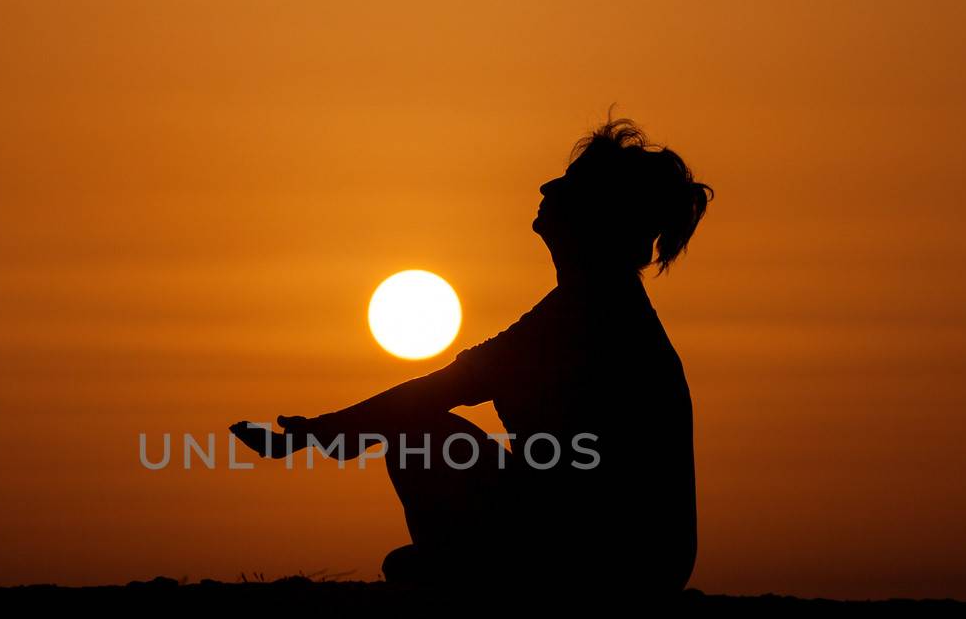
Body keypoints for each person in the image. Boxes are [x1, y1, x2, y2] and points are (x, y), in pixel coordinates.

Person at [231, 116, 712, 593]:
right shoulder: (597, 305)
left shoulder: (592, 312)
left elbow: (439, 390)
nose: (547, 187)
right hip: (635, 558)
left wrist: (316, 434)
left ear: (598, 213)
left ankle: (466, 583)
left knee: (414, 432)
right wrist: (326, 433)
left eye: (569, 184)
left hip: (616, 561)